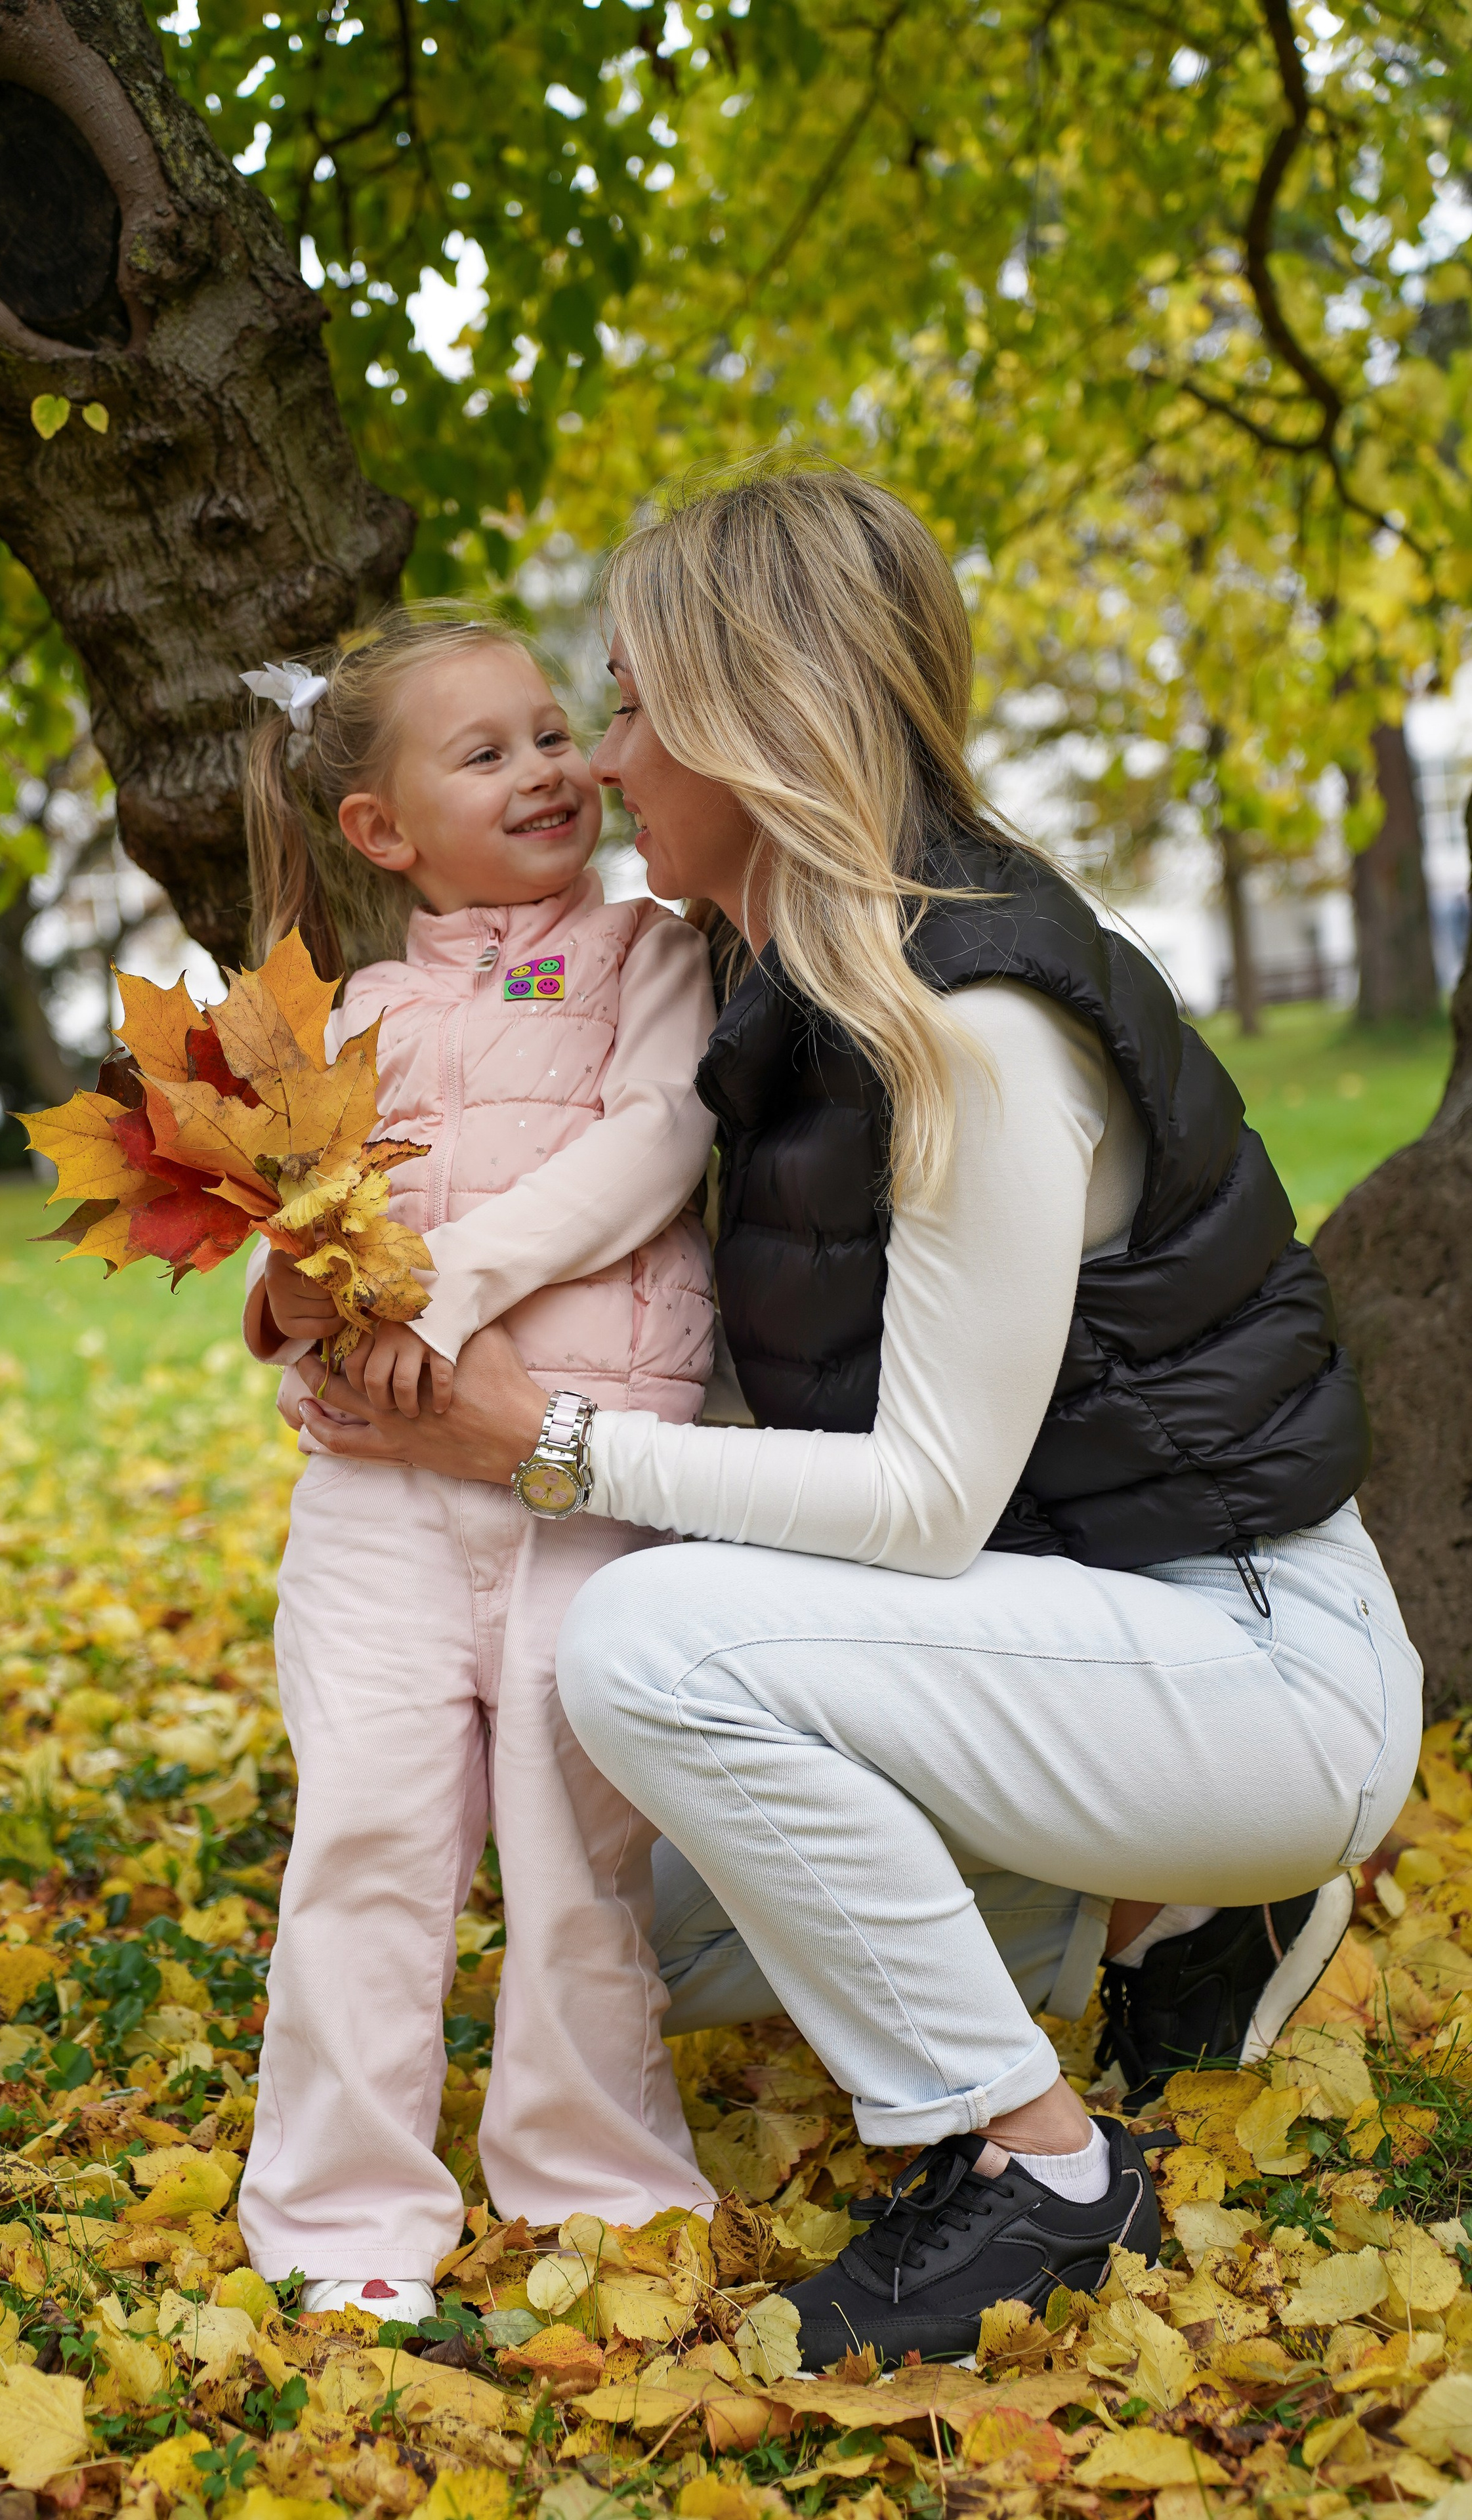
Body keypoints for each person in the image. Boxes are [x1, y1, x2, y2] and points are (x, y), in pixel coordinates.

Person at [280, 469, 1423, 2368]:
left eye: (633, 710)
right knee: (663, 1928)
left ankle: (1039, 2171)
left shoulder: (970, 1022)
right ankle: (1147, 1919)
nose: (606, 763)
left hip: (1246, 1652)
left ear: (748, 722)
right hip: (1085, 1612)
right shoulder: (790, 981)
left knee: (648, 1650)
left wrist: (533, 1447)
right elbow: (764, 1361)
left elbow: (917, 1500)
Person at [235, 609, 718, 2323]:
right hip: (375, 1499)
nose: (550, 766)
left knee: (574, 1840)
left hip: (580, 1473)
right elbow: (291, 1245)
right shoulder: (337, 1016)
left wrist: (458, 1281)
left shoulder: (645, 954)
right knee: (365, 1830)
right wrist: (293, 1293)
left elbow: (659, 1142)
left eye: (552, 730)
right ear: (381, 830)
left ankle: (596, 2169)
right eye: (486, 749)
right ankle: (340, 2206)